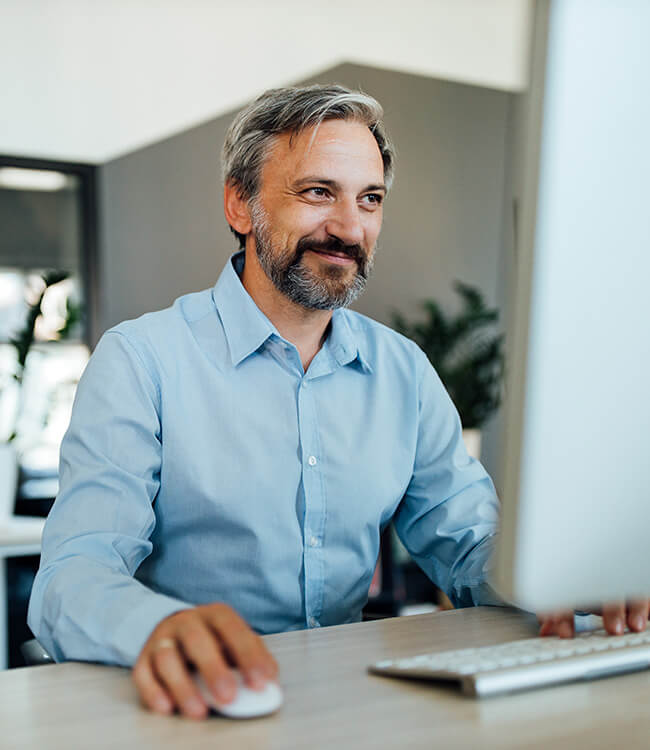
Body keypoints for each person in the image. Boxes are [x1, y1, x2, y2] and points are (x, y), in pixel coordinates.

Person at [27, 85, 648, 720]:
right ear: (240, 204)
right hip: (192, 709)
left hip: (349, 706)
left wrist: (568, 585)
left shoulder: (402, 370)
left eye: (370, 200)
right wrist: (152, 628)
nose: (350, 228)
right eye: (317, 192)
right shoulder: (141, 360)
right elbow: (72, 576)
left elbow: (468, 542)